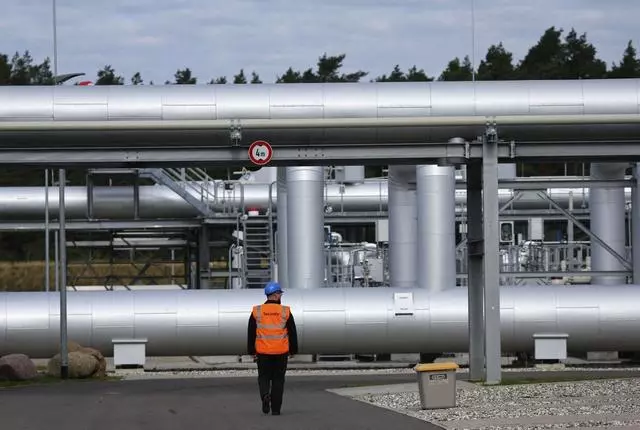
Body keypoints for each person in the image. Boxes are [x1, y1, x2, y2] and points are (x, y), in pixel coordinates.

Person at [247, 281, 298, 416]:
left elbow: (251, 332)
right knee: (278, 379)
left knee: (263, 377)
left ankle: (265, 395)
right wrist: (293, 350)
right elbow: (292, 332)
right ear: (275, 295)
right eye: (280, 294)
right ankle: (275, 409)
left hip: (263, 352)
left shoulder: (257, 311)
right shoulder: (285, 311)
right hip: (281, 351)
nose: (280, 296)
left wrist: (251, 351)